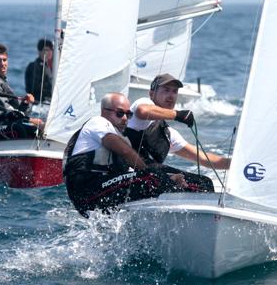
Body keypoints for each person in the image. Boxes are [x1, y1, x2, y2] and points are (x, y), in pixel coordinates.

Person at [63, 93, 213, 217]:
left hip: (106, 188)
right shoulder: (97, 123)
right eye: (120, 113)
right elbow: (126, 152)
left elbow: (129, 171)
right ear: (104, 111)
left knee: (203, 182)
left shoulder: (121, 137)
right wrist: (166, 179)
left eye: (128, 115)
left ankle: (204, 214)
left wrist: (170, 176)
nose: (124, 119)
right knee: (152, 177)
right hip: (86, 191)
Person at [124, 73, 231, 169]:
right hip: (123, 174)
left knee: (202, 182)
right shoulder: (143, 102)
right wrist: (178, 115)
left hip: (146, 179)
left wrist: (235, 164)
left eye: (175, 91)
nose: (171, 95)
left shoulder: (168, 134)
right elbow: (143, 111)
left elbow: (204, 159)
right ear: (152, 94)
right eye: (166, 90)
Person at [25, 38, 54, 103]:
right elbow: (34, 88)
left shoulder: (50, 66)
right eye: (46, 50)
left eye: (51, 50)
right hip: (38, 102)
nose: (49, 52)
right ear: (39, 51)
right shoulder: (33, 66)